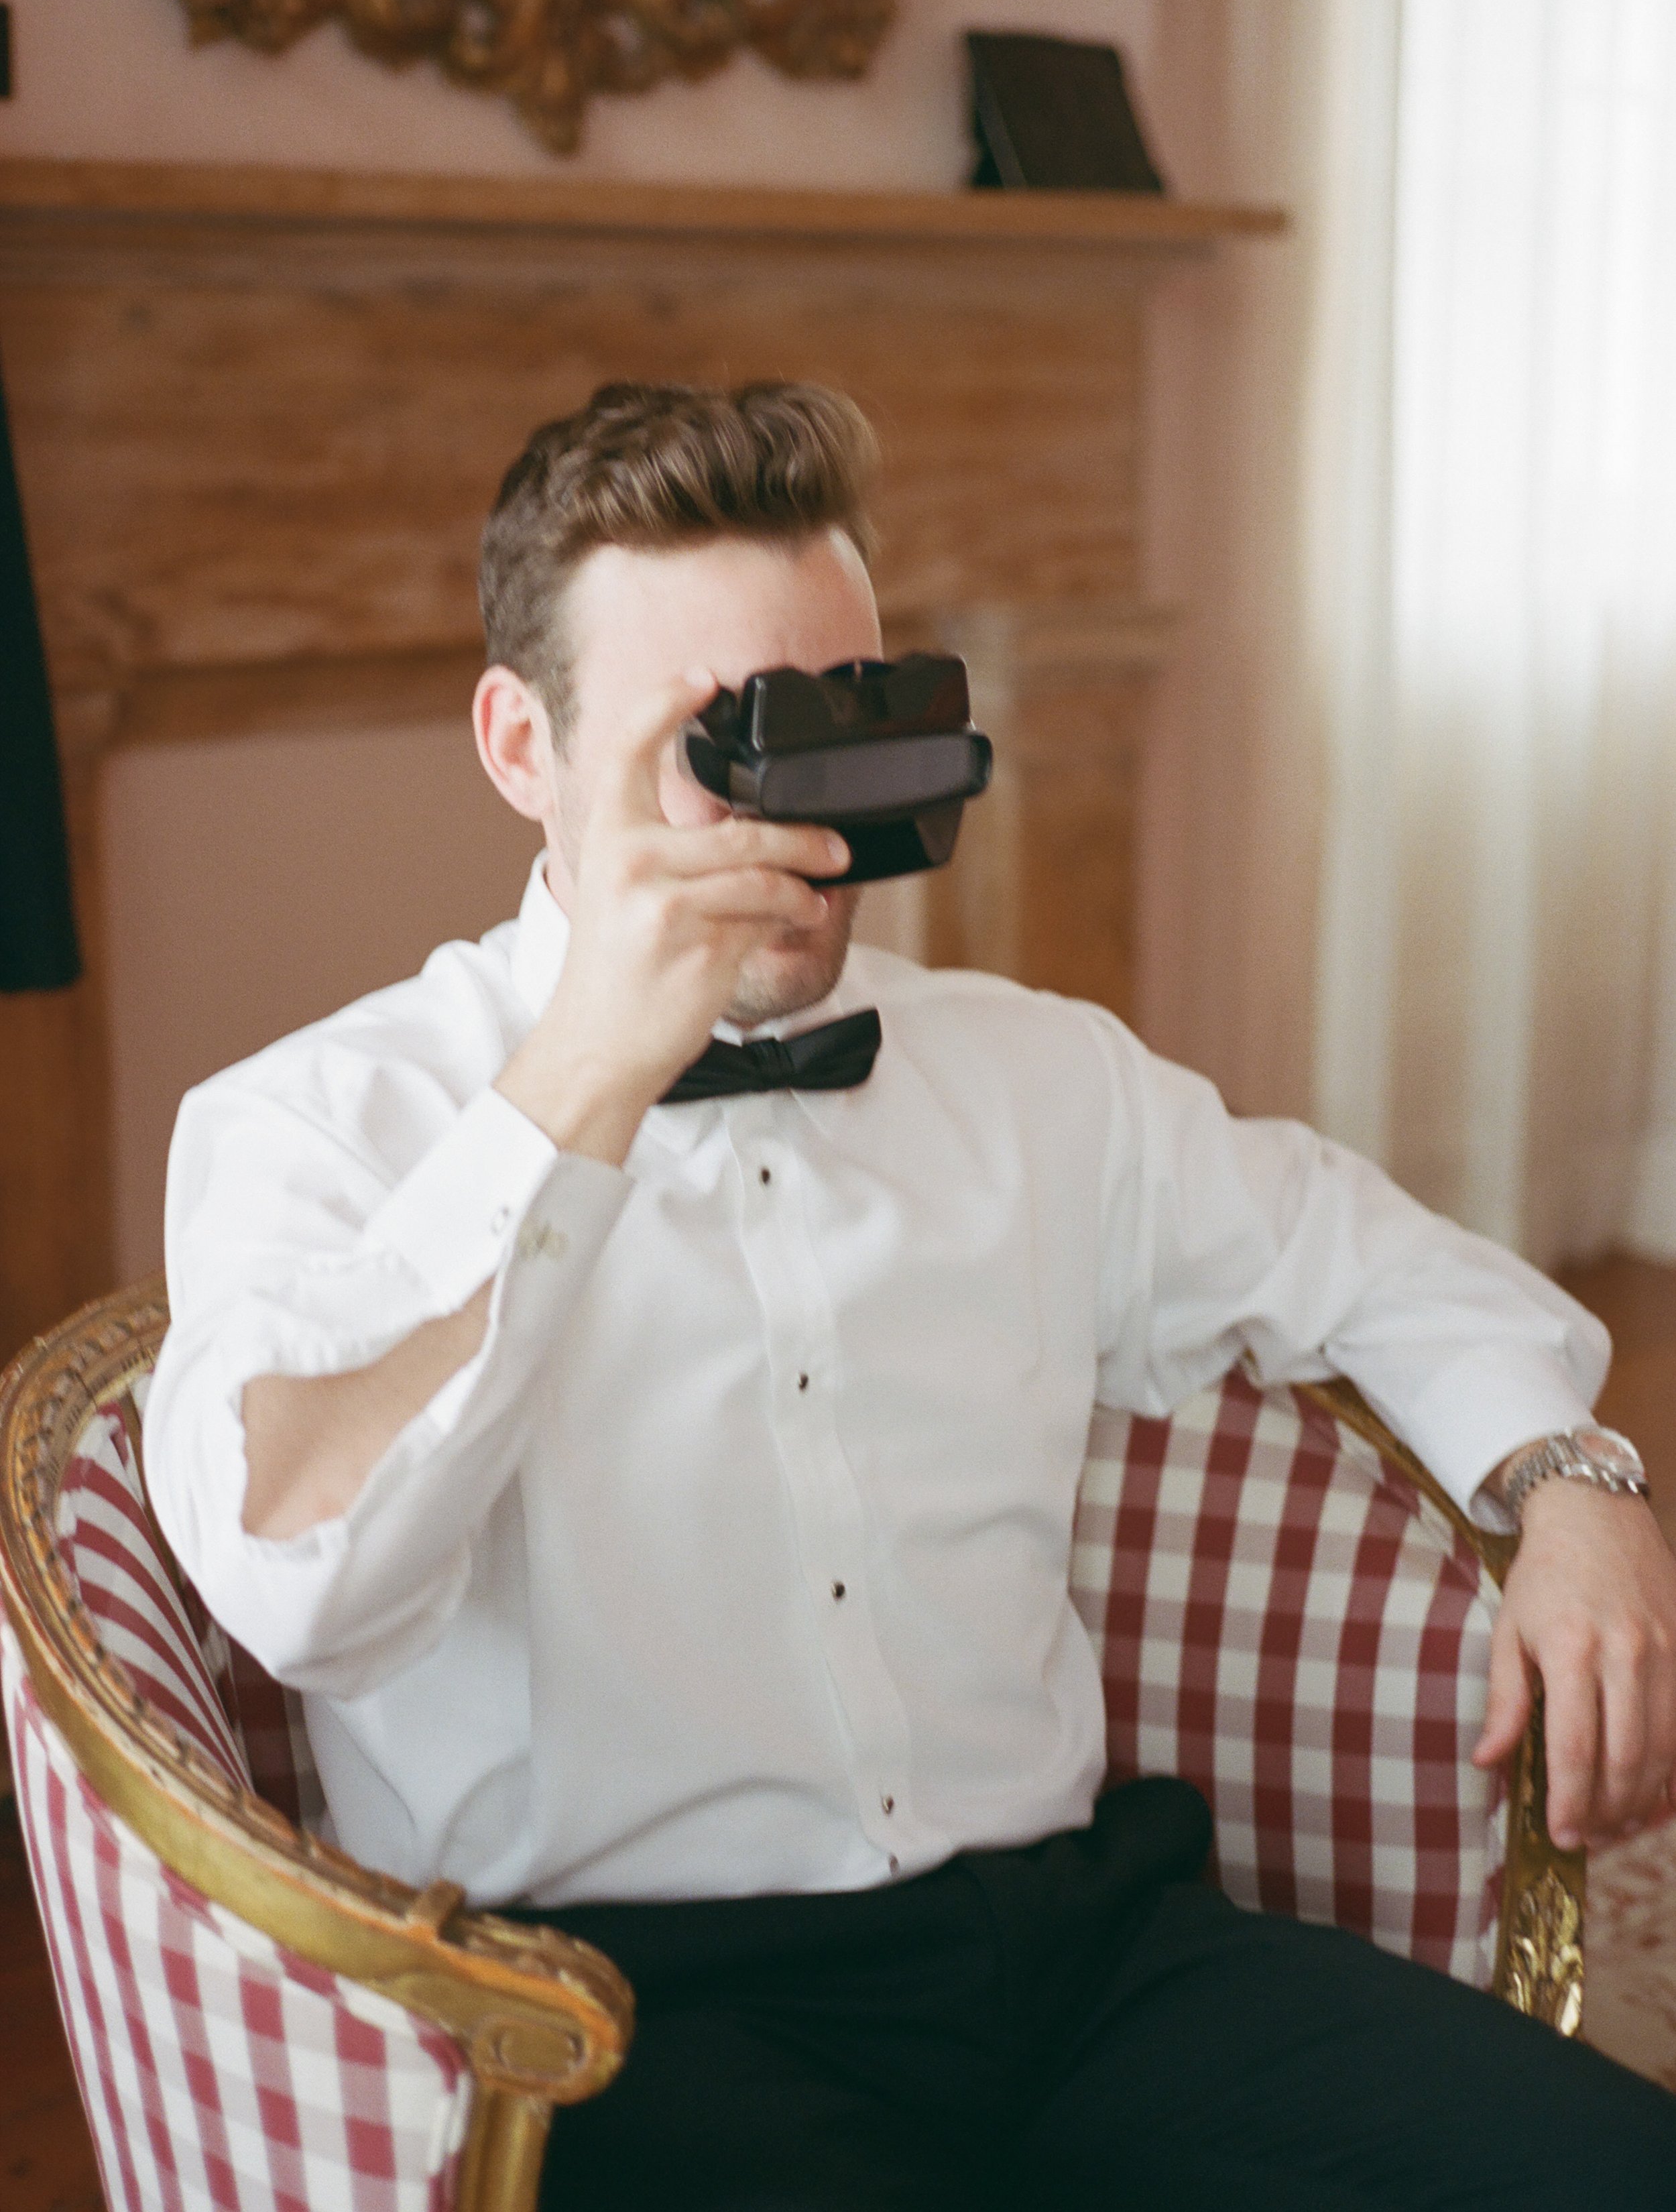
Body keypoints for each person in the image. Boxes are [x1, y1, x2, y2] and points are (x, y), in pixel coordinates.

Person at [147, 382, 1676, 2209]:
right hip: (613, 2011)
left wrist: (1569, 1480)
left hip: (1089, 1953)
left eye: (842, 713)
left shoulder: (1036, 1078)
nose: (794, 810)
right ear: (516, 744)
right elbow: (297, 1582)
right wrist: (575, 1091)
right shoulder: (311, 1124)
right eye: (717, 738)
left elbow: (1365, 1257)